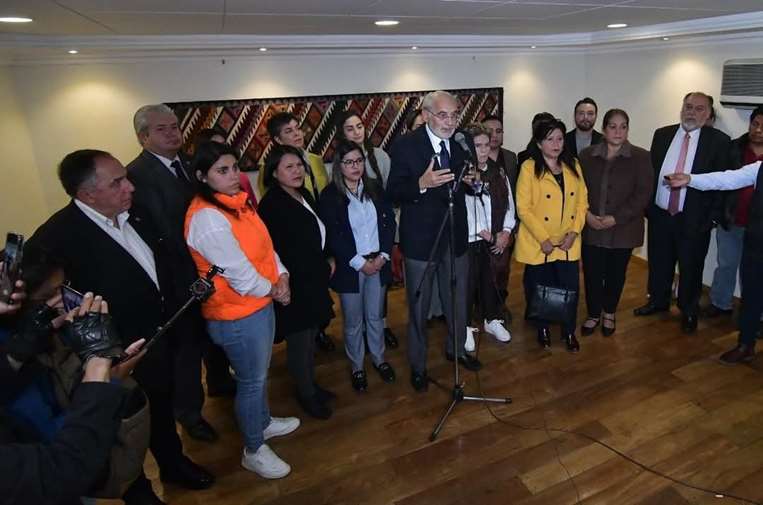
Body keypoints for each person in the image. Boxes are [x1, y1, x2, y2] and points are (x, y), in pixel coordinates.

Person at [27, 149, 215, 503]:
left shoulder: (134, 212)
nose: (130, 186)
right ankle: (137, 490)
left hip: (160, 338)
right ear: (87, 194)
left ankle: (173, 463)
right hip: (113, 361)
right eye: (117, 182)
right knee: (122, 429)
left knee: (160, 410)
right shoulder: (56, 238)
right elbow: (50, 307)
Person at [184, 141, 300, 479]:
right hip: (237, 315)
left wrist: (282, 274)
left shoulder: (238, 204)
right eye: (223, 170)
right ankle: (253, 448)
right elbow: (239, 274)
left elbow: (266, 248)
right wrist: (276, 291)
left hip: (258, 304)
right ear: (202, 176)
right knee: (251, 382)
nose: (234, 175)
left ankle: (262, 423)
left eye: (235, 167)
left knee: (259, 374)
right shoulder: (207, 217)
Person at [126, 104, 228, 442]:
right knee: (187, 349)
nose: (173, 132)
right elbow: (159, 234)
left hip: (209, 270)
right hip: (176, 278)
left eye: (175, 125)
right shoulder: (136, 176)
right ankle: (190, 413)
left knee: (214, 332)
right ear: (143, 137)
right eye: (162, 129)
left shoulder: (189, 163)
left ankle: (220, 380)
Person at [388, 90, 482, 393]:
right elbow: (394, 192)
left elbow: (463, 186)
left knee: (457, 301)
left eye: (455, 114)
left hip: (455, 237)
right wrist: (421, 184)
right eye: (443, 115)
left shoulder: (460, 144)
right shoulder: (405, 146)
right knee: (419, 307)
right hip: (421, 241)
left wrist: (473, 183)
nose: (450, 121)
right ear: (427, 116)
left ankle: (456, 350)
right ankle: (418, 365)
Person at [634, 92, 731, 334]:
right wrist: (648, 207)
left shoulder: (719, 141)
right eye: (688, 107)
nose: (692, 112)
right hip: (661, 213)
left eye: (699, 109)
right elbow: (650, 173)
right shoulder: (662, 134)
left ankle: (688, 311)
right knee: (659, 262)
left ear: (708, 115)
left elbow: (722, 182)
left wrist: (712, 218)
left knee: (691, 267)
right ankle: (658, 301)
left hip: (695, 219)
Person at [258, 144, 335, 418]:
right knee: (300, 342)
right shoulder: (271, 205)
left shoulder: (302, 194)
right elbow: (273, 251)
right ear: (274, 173)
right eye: (288, 167)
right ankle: (306, 394)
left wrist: (328, 258)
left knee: (311, 336)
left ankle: (311, 384)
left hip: (314, 279)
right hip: (295, 285)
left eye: (299, 165)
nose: (297, 171)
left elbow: (317, 231)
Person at [666, 158, 763, 364]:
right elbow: (726, 179)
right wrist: (691, 179)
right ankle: (745, 345)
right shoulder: (759, 169)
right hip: (756, 246)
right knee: (752, 296)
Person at [319, 140, 397, 392]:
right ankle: (357, 366)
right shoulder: (330, 195)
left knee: (375, 316)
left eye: (359, 161)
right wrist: (360, 263)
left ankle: (379, 359)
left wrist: (383, 255)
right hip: (350, 267)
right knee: (353, 321)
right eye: (349, 162)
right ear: (339, 166)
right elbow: (333, 234)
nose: (355, 166)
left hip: (379, 261)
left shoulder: (375, 188)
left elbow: (388, 224)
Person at [256, 111, 335, 353]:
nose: (297, 133)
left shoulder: (314, 160)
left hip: (316, 233)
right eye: (288, 131)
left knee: (317, 314)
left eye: (297, 128)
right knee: (301, 327)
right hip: (297, 267)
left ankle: (316, 334)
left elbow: (322, 197)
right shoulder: (272, 196)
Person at [515, 118, 588, 352]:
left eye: (559, 138)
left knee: (570, 289)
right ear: (538, 143)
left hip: (567, 242)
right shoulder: (528, 167)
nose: (556, 144)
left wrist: (574, 232)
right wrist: (543, 239)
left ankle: (568, 331)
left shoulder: (573, 165)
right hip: (540, 242)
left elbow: (582, 203)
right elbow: (523, 208)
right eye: (550, 139)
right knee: (541, 289)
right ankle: (542, 328)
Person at [578, 109, 653, 337]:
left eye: (623, 126)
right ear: (603, 129)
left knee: (615, 273)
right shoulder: (586, 155)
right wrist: (587, 214)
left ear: (628, 129)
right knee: (592, 273)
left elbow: (643, 194)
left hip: (624, 228)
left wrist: (616, 218)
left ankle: (609, 312)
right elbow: (578, 190)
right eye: (613, 126)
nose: (618, 131)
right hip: (591, 225)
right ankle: (593, 314)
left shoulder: (641, 156)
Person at [334, 110, 399, 349]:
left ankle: (380, 330)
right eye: (350, 128)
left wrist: (385, 250)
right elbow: (335, 224)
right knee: (354, 309)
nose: (356, 132)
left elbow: (389, 201)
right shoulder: (336, 180)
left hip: (378, 238)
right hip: (354, 254)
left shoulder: (379, 156)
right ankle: (359, 346)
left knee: (378, 298)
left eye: (359, 126)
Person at [703, 106, 763, 317]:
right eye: (755, 124)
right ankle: (720, 303)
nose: (758, 130)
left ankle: (755, 314)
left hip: (760, 227)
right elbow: (721, 180)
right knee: (726, 264)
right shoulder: (734, 147)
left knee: (756, 273)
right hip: (732, 219)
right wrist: (716, 214)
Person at [462, 124, 515, 348]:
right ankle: (463, 326)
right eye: (477, 146)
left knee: (491, 280)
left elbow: (509, 204)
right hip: (469, 240)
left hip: (494, 238)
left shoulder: (498, 171)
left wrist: (506, 232)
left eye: (486, 145)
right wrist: (478, 231)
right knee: (467, 284)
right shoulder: (462, 172)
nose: (483, 150)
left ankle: (492, 319)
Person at [483, 114, 519, 322]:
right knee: (485, 271)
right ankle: (484, 308)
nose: (494, 136)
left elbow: (516, 194)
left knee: (503, 270)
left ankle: (500, 304)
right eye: (489, 131)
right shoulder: (475, 157)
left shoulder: (511, 158)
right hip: (484, 228)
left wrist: (511, 228)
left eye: (499, 131)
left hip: (508, 224)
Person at [193, 127, 258, 206]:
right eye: (223, 171)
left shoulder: (242, 178)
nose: (234, 176)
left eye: (224, 145)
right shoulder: (206, 212)